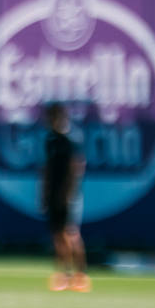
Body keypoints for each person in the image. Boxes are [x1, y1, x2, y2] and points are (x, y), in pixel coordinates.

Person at [40, 102, 90, 292]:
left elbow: (76, 169)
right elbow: (47, 171)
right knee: (57, 236)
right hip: (53, 195)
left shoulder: (72, 139)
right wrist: (44, 194)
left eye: (51, 117)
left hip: (69, 196)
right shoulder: (50, 140)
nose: (47, 121)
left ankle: (81, 275)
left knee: (71, 234)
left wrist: (68, 194)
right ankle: (63, 275)